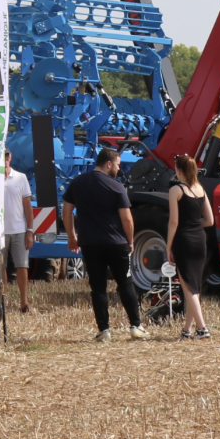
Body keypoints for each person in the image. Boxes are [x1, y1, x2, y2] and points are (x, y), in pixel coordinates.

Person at [61, 147, 147, 343]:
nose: (118, 168)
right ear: (108, 164)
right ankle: (135, 326)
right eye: (117, 165)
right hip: (116, 243)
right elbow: (127, 219)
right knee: (125, 283)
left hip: (90, 243)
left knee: (98, 287)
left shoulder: (78, 183)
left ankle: (104, 330)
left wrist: (71, 237)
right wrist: (131, 241)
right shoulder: (117, 187)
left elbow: (66, 212)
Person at [165, 154, 214, 339]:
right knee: (195, 286)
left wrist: (168, 246)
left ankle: (202, 328)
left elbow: (173, 222)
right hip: (200, 240)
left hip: (183, 240)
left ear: (179, 170)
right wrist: (194, 224)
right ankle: (187, 330)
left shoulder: (176, 190)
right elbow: (209, 220)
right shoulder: (200, 189)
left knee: (188, 287)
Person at [0, 165, 35, 314]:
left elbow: (28, 206)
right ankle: (2, 300)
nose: (4, 160)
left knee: (22, 265)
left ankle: (24, 301)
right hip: (0, 231)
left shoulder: (21, 177)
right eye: (2, 156)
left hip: (19, 230)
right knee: (1, 266)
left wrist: (30, 231)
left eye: (7, 157)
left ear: (10, 158)